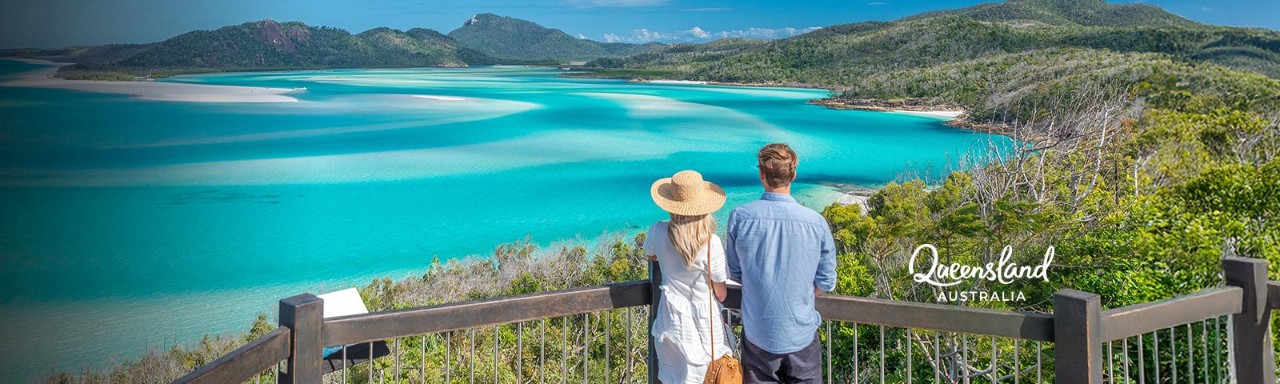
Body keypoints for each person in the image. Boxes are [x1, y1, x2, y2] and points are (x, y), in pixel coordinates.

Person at [726, 143, 836, 383]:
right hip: (801, 334)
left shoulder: (740, 217)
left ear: (762, 175)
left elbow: (734, 272)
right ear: (793, 175)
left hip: (758, 334)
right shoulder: (815, 222)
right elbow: (826, 281)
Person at [645, 170, 734, 384]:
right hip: (704, 324)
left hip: (670, 320)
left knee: (672, 377)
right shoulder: (711, 243)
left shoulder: (657, 231)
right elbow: (721, 294)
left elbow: (650, 254)